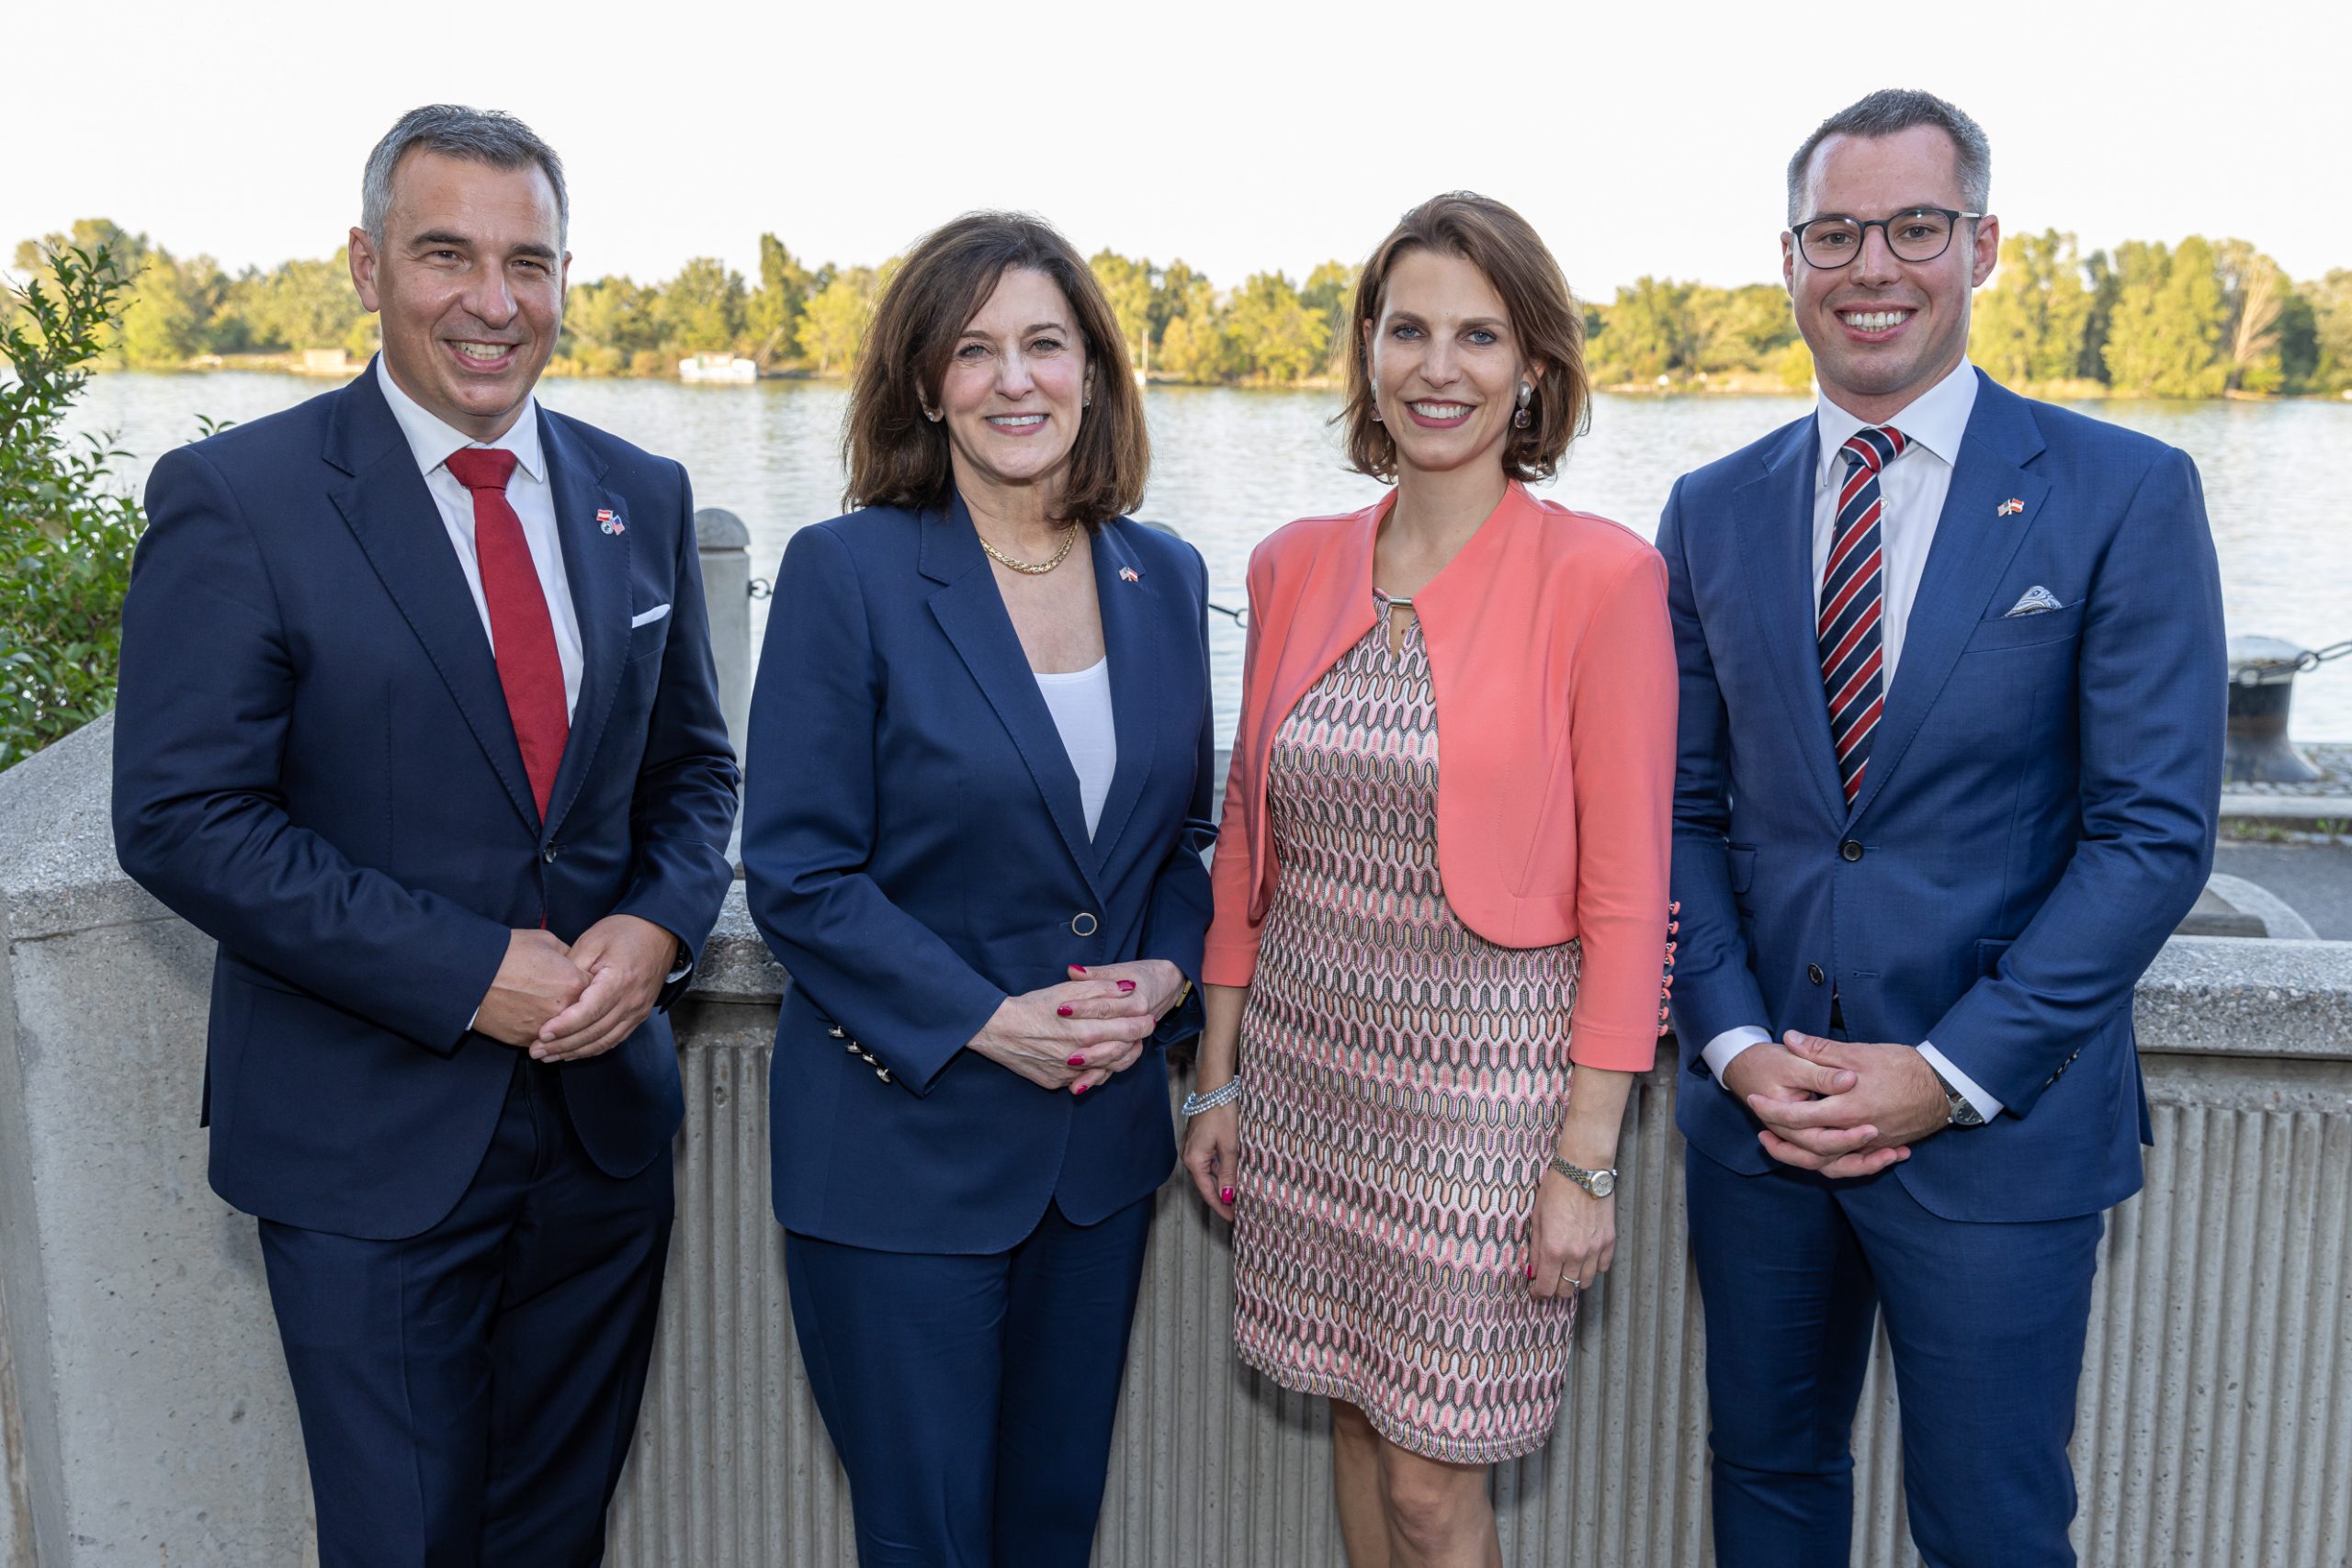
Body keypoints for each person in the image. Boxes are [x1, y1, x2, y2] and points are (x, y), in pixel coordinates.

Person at [110, 106, 740, 1565]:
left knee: (554, 1533)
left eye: (529, 261)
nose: (493, 301)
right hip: (363, 1141)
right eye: (446, 253)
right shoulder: (241, 500)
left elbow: (697, 773)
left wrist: (657, 928)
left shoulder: (635, 498)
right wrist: (471, 971)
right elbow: (181, 816)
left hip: (600, 1140)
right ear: (365, 262)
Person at [1660, 89, 2224, 1567]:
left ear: (1984, 246)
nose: (1873, 267)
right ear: (1788, 259)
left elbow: (2154, 833)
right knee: (1768, 1483)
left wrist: (1949, 1070)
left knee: (1990, 1525)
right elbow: (1684, 810)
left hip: (2000, 1130)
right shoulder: (1709, 508)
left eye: (1916, 227)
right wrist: (1733, 1045)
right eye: (1836, 233)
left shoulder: (2123, 492)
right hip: (1763, 1120)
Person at [1182, 192, 1677, 1566]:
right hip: (1308, 1072)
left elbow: (1633, 896)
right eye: (1408, 329)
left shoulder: (1605, 579)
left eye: (1479, 334)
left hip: (1490, 1098)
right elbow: (1245, 846)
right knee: (1349, 1423)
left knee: (1429, 1484)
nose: (1437, 367)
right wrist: (1217, 1075)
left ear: (1533, 369)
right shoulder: (1291, 566)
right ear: (1368, 350)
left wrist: (1588, 1157)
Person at [742, 211, 1216, 1568]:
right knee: (930, 1541)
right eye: (975, 350)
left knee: (1048, 1532)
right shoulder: (851, 573)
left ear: (1093, 372)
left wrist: (1168, 975)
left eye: (1045, 345)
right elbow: (795, 868)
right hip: (903, 1151)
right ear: (925, 387)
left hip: (1096, 1162)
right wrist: (979, 1019)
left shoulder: (1163, 573)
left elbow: (1182, 841)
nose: (1015, 380)